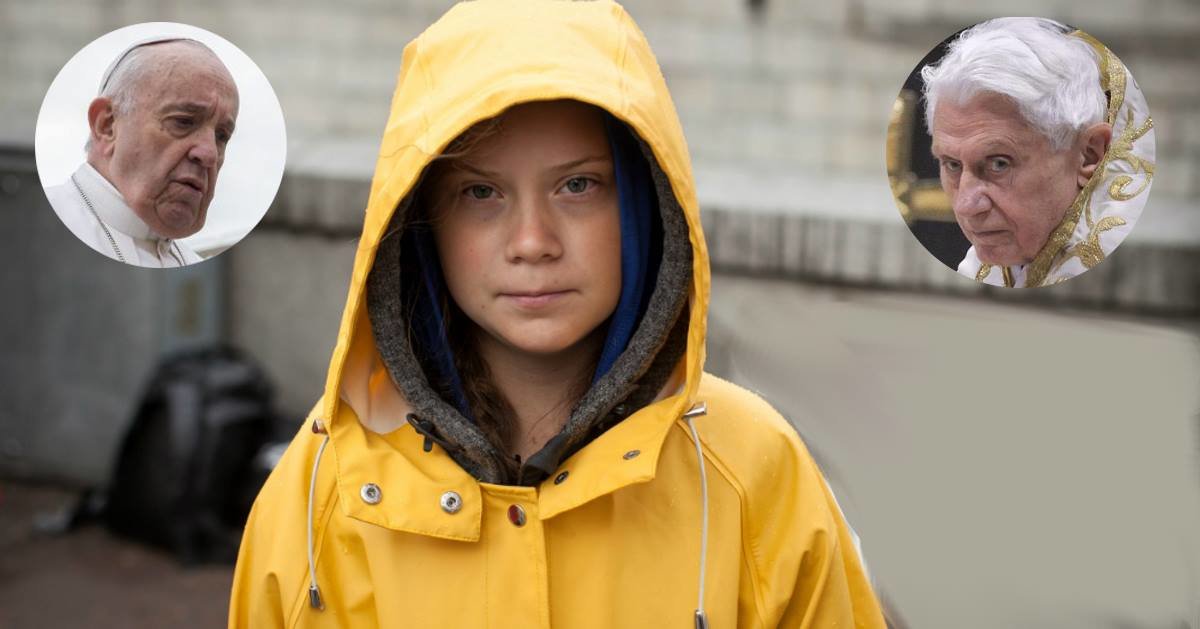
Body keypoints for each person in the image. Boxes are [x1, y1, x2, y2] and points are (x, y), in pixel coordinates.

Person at [229, 1, 886, 627]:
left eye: (578, 185)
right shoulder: (325, 483)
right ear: (421, 222)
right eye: (481, 192)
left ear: (643, 204)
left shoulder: (751, 469)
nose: (532, 242)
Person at [922, 18, 1155, 287]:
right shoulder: (980, 266)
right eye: (952, 165)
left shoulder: (1123, 272)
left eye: (999, 164)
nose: (966, 206)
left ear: (1089, 155)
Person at [43, 37, 239, 267]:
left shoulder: (194, 265)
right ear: (107, 125)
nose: (209, 154)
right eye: (183, 122)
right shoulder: (30, 227)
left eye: (221, 136)